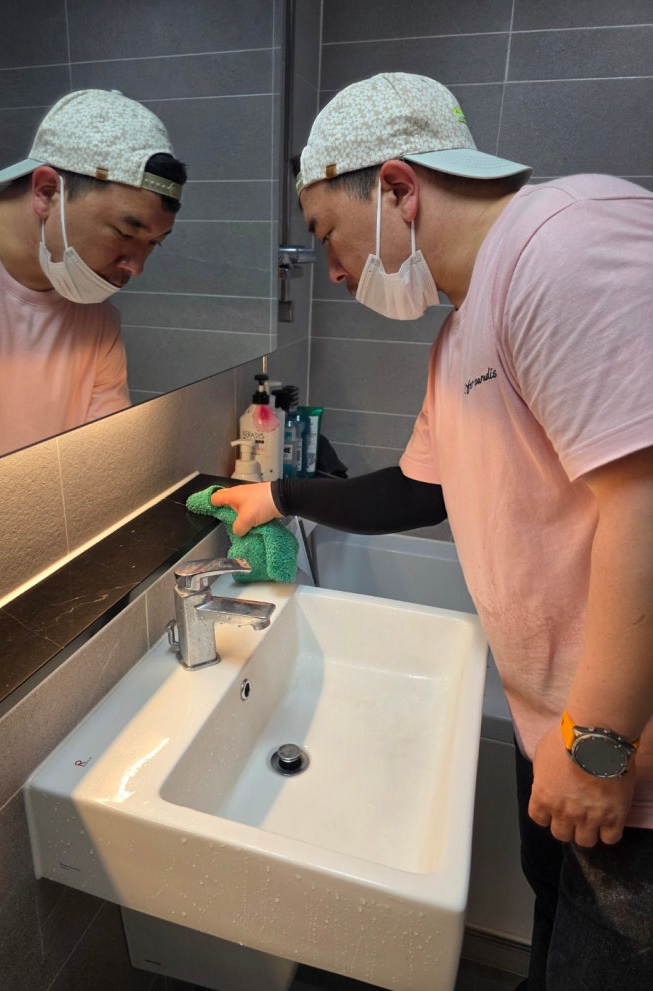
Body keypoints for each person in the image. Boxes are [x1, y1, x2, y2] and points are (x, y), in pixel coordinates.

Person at [211, 73, 653, 990]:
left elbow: (645, 501)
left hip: (618, 747)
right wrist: (278, 496)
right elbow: (419, 492)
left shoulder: (562, 246)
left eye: (326, 232)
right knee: (555, 935)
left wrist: (597, 744)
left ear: (398, 189)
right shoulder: (463, 335)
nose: (331, 269)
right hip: (557, 728)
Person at [0, 88, 187, 479]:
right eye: (125, 233)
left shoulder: (98, 320)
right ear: (46, 192)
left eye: (153, 243)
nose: (136, 266)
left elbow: (105, 460)